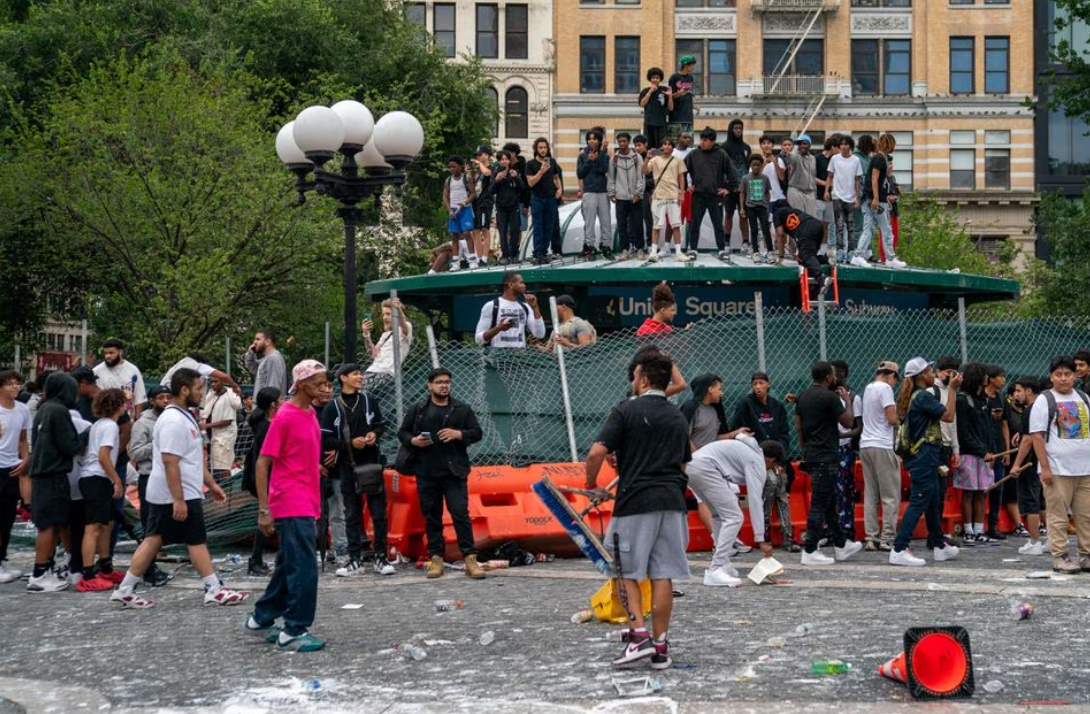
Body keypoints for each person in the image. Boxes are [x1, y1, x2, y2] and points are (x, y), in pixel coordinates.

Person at [586, 349, 690, 669]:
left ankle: (638, 636)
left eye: (634, 376)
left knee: (625, 571)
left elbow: (596, 452)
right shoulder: (677, 416)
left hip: (635, 503)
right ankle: (660, 645)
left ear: (643, 379)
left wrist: (592, 485)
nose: (632, 381)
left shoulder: (625, 411)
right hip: (673, 502)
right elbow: (684, 465)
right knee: (663, 574)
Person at [110, 367, 247, 609]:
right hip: (175, 493)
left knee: (155, 539)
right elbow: (170, 461)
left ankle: (126, 589)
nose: (201, 393)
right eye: (197, 388)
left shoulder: (183, 417)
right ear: (184, 390)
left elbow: (191, 458)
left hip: (180, 491)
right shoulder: (173, 420)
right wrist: (179, 499)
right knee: (192, 540)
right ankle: (213, 588)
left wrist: (212, 484)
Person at [243, 361, 328, 650]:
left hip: (307, 496)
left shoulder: (310, 412)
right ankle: (294, 629)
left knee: (287, 563)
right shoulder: (285, 416)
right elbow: (262, 462)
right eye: (318, 383)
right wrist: (264, 510)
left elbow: (298, 452)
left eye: (326, 382)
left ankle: (262, 617)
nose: (324, 387)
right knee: (304, 565)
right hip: (291, 500)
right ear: (301, 384)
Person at [398, 368, 485, 579]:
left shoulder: (461, 409)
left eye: (447, 382)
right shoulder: (418, 409)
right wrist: (414, 441)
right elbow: (402, 433)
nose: (444, 385)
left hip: (454, 472)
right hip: (426, 471)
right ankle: (436, 558)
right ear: (429, 385)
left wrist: (458, 434)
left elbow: (477, 433)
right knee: (432, 517)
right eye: (439, 382)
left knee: (460, 514)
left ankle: (470, 558)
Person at [322, 363, 394, 577]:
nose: (360, 377)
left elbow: (381, 425)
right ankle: (355, 559)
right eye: (355, 374)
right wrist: (349, 444)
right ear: (343, 378)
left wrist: (374, 435)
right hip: (347, 465)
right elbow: (325, 439)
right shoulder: (332, 406)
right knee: (351, 513)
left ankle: (381, 556)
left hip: (371, 463)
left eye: (360, 373)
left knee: (378, 512)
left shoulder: (369, 401)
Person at [889, 358, 962, 566]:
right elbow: (948, 416)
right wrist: (953, 389)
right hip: (923, 457)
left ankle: (939, 545)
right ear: (921, 376)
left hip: (924, 456)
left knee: (932, 499)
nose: (933, 375)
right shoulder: (922, 397)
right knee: (920, 501)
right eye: (930, 371)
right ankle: (899, 548)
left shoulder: (915, 396)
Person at [688, 437, 783, 587]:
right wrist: (761, 539)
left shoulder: (747, 449)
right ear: (771, 460)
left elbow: (740, 436)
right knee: (734, 517)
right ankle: (716, 568)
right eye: (774, 465)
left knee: (719, 516)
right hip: (706, 468)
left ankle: (723, 564)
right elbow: (755, 500)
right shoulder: (757, 462)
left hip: (692, 466)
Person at [795, 362, 863, 565]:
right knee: (818, 505)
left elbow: (798, 426)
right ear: (827, 377)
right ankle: (809, 551)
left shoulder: (804, 396)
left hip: (813, 454)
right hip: (827, 456)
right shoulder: (830, 397)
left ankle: (842, 545)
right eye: (833, 374)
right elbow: (849, 422)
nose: (836, 377)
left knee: (829, 503)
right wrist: (847, 401)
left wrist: (805, 448)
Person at [1028, 356, 1090, 574]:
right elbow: (1037, 436)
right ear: (1051, 377)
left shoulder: (1083, 397)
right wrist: (1045, 468)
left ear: (1075, 376)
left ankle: (1086, 555)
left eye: (1067, 374)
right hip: (1057, 470)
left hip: (1085, 469)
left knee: (1086, 515)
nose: (1063, 378)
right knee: (1058, 516)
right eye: (1058, 374)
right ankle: (1061, 556)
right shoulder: (1044, 400)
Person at [27, 372, 88, 592]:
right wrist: (87, 433)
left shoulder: (44, 409)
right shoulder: (60, 411)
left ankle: (45, 569)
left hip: (42, 475)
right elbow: (71, 446)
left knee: (50, 524)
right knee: (49, 526)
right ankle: (39, 574)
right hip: (53, 475)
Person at [730, 372, 797, 550]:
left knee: (781, 485)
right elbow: (738, 431)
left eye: (761, 383)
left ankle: (788, 536)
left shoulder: (777, 406)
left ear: (768, 385)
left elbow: (784, 435)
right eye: (754, 384)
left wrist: (780, 461)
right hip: (756, 460)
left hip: (776, 459)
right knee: (768, 486)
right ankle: (764, 534)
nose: (758, 387)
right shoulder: (746, 404)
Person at [76, 388, 127, 592]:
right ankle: (87, 574)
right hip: (97, 477)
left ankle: (105, 566)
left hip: (95, 477)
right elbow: (103, 456)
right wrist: (117, 480)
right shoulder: (110, 427)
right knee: (94, 527)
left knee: (106, 524)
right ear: (118, 405)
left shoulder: (99, 424)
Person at [127, 384, 172, 587]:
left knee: (162, 525)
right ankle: (147, 569)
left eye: (167, 397)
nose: (165, 401)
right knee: (150, 525)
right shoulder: (142, 423)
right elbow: (135, 453)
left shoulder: (170, 419)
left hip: (168, 476)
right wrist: (158, 444)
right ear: (152, 400)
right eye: (160, 397)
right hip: (149, 476)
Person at [859, 361, 902, 551]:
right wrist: (902, 416)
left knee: (871, 494)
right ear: (890, 375)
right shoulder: (885, 389)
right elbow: (891, 419)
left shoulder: (868, 388)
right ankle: (887, 538)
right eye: (894, 379)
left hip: (866, 444)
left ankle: (871, 537)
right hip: (882, 445)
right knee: (890, 494)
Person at [953, 362, 997, 545]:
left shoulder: (985, 400)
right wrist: (982, 450)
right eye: (985, 375)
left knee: (982, 492)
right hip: (969, 454)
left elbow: (988, 428)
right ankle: (968, 531)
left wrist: (992, 451)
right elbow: (963, 433)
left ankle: (979, 530)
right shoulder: (962, 400)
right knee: (969, 493)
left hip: (985, 454)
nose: (987, 378)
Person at [242, 387, 282, 576]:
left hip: (268, 477)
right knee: (268, 517)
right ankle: (256, 560)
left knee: (272, 517)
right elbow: (266, 460)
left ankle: (258, 559)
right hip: (266, 478)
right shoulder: (266, 427)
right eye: (281, 399)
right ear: (273, 404)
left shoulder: (267, 423)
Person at [851, 133, 904, 269]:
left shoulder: (878, 158)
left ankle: (859, 255)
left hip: (873, 198)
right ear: (889, 144)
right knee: (885, 230)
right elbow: (874, 178)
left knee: (869, 229)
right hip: (876, 200)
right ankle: (889, 258)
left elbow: (879, 181)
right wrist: (875, 198)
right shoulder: (880, 159)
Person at [684, 127, 734, 260]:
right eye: (701, 139)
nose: (702, 142)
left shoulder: (721, 154)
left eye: (705, 140)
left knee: (718, 224)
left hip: (715, 195)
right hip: (698, 195)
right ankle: (693, 249)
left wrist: (728, 188)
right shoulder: (693, 154)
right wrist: (686, 186)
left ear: (713, 141)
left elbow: (732, 172)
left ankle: (722, 250)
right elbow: (681, 170)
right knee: (694, 223)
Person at [0, 370, 31, 584]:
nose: (14, 387)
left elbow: (22, 438)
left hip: (13, 466)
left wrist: (25, 460)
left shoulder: (22, 409)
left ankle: (3, 558)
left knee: (8, 516)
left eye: (17, 383)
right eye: (9, 384)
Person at [1009, 376, 1046, 556]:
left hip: (1030, 463)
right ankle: (1051, 540)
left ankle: (1035, 542)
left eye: (1018, 390)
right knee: (1044, 502)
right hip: (1045, 462)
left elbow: (1028, 440)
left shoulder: (1031, 409)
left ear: (1029, 391)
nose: (1016, 394)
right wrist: (1020, 432)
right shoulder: (1045, 406)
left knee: (1031, 501)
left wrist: (1016, 464)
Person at [643, 137, 691, 262]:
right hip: (658, 196)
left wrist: (681, 193)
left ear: (672, 147)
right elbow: (643, 171)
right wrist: (647, 158)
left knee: (676, 225)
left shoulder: (678, 161)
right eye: (664, 144)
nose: (667, 146)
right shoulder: (654, 160)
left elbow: (681, 178)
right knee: (656, 226)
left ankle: (679, 253)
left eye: (669, 144)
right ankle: (653, 252)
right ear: (661, 146)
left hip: (673, 196)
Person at [984, 365, 1017, 540]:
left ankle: (993, 525)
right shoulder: (981, 398)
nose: (1003, 380)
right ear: (990, 378)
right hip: (983, 449)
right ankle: (975, 527)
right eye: (1000, 377)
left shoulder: (1001, 399)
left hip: (998, 448)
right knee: (980, 489)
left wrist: (1007, 451)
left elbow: (1005, 424)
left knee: (998, 487)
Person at [831, 360, 862, 538]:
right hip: (829, 448)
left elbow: (858, 426)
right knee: (830, 491)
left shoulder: (853, 397)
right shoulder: (827, 395)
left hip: (844, 448)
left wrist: (841, 436)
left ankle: (846, 528)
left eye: (836, 373)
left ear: (842, 374)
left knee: (845, 490)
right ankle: (830, 529)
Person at [474, 272, 546, 348]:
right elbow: (478, 339)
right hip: (497, 356)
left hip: (520, 355)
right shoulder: (492, 305)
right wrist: (498, 328)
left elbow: (540, 334)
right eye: (521, 283)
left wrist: (535, 307)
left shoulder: (525, 307)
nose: (524, 285)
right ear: (511, 285)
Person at [932, 356, 962, 540]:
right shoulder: (933, 390)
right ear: (938, 371)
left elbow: (954, 421)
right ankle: (934, 533)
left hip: (947, 446)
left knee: (942, 490)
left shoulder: (952, 391)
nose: (950, 375)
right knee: (934, 491)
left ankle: (937, 533)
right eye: (947, 371)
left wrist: (956, 449)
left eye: (953, 372)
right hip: (934, 445)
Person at [362, 297, 413, 399]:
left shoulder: (405, 328)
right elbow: (373, 354)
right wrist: (366, 335)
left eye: (388, 314)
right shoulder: (385, 335)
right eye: (383, 314)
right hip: (371, 371)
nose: (384, 317)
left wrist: (398, 309)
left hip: (386, 373)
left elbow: (403, 323)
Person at [825, 136, 862, 263]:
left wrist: (857, 197)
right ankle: (840, 250)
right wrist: (826, 191)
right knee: (839, 225)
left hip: (850, 197)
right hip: (837, 196)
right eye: (841, 144)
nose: (843, 146)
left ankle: (851, 251)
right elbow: (830, 176)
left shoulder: (856, 160)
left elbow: (858, 180)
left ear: (850, 146)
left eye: (846, 144)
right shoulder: (835, 159)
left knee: (851, 225)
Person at [526, 138, 563, 265]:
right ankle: (538, 253)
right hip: (537, 198)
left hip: (550, 198)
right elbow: (530, 182)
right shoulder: (530, 164)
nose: (543, 150)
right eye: (540, 147)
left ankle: (544, 252)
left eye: (545, 148)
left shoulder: (551, 161)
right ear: (536, 149)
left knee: (549, 226)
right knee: (538, 226)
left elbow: (555, 177)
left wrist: (559, 188)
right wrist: (541, 172)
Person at [577, 129, 613, 259]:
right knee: (589, 221)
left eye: (595, 139)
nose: (591, 141)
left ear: (599, 141)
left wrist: (601, 154)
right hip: (589, 191)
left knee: (606, 221)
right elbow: (580, 173)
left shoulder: (605, 154)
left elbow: (603, 169)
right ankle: (590, 247)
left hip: (603, 191)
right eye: (589, 139)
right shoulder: (582, 155)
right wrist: (589, 161)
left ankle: (606, 246)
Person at [609, 132, 645, 261]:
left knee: (637, 224)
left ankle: (640, 248)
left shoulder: (637, 157)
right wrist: (612, 193)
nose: (622, 144)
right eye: (620, 141)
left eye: (624, 141)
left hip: (635, 198)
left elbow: (641, 178)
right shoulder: (614, 159)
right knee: (622, 225)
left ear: (629, 141)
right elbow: (611, 178)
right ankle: (625, 250)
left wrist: (638, 194)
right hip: (620, 197)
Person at [200, 375, 241, 483]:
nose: (213, 384)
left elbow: (227, 421)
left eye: (216, 382)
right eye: (211, 382)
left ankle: (227, 491)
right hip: (211, 435)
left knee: (223, 465)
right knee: (215, 464)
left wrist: (206, 426)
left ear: (222, 382)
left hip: (224, 436)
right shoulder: (211, 395)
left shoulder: (228, 396)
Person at [92, 338, 147, 419]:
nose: (107, 356)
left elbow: (139, 399)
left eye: (111, 353)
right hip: (106, 418)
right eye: (105, 353)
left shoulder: (132, 370)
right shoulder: (97, 371)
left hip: (128, 420)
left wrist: (137, 421)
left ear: (120, 352)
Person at [774, 204, 826, 288]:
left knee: (806, 256)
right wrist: (795, 254)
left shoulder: (777, 213)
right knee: (807, 258)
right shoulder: (793, 211)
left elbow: (780, 234)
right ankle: (826, 258)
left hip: (806, 231)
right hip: (818, 225)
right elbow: (792, 239)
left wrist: (781, 256)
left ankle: (821, 277)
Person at [491, 149, 526, 265]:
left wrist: (516, 177)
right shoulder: (496, 172)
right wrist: (496, 180)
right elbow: (490, 191)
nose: (504, 161)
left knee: (515, 231)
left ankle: (514, 254)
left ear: (509, 160)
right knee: (503, 232)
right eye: (501, 159)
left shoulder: (514, 172)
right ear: (498, 161)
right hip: (501, 208)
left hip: (514, 207)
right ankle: (505, 255)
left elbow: (522, 189)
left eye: (506, 159)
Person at [443, 156, 478, 270]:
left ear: (460, 166)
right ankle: (455, 262)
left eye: (454, 166)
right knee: (454, 235)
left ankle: (472, 260)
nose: (452, 169)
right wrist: (449, 210)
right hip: (453, 210)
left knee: (467, 233)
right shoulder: (448, 180)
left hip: (465, 209)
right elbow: (445, 197)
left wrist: (464, 202)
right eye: (450, 167)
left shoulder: (466, 178)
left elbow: (473, 194)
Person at [723, 119, 751, 252]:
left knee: (743, 214)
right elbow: (722, 168)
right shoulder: (724, 147)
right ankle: (726, 242)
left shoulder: (746, 147)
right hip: (729, 188)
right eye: (736, 128)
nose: (738, 130)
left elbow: (749, 167)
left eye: (740, 128)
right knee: (728, 214)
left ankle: (746, 243)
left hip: (744, 189)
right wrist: (727, 186)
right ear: (731, 129)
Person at [741, 154, 773, 263]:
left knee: (765, 230)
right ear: (750, 165)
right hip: (750, 207)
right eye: (754, 165)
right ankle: (755, 252)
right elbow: (742, 193)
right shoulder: (745, 178)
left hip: (762, 207)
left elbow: (768, 193)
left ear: (761, 165)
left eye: (758, 165)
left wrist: (767, 206)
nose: (756, 167)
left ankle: (770, 252)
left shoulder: (765, 178)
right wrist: (742, 208)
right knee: (753, 230)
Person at [471, 146, 495, 269]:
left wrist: (480, 164)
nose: (478, 157)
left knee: (485, 229)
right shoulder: (478, 171)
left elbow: (488, 173)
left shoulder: (491, 167)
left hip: (485, 202)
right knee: (475, 230)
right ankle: (478, 257)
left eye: (480, 155)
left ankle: (485, 258)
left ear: (487, 155)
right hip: (475, 202)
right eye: (477, 155)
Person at [244, 329, 288, 397]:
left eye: (258, 339)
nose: (254, 342)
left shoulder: (274, 358)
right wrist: (250, 353)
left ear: (268, 341)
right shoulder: (266, 359)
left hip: (267, 406)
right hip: (262, 406)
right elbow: (252, 367)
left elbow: (273, 387)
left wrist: (268, 405)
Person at [638, 67, 671, 153]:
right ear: (650, 79)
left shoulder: (664, 90)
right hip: (649, 123)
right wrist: (650, 91)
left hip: (662, 123)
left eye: (657, 78)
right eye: (653, 78)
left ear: (660, 79)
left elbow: (670, 108)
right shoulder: (645, 91)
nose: (655, 80)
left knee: (662, 147)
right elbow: (642, 104)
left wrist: (670, 96)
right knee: (649, 147)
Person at [784, 134, 817, 217]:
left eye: (804, 143)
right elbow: (790, 157)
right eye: (800, 144)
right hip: (796, 191)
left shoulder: (813, 158)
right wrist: (787, 152)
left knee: (811, 218)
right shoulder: (795, 155)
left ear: (809, 145)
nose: (802, 145)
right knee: (798, 219)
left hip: (810, 193)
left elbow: (813, 176)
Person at [634, 135, 656, 255]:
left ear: (645, 144)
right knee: (634, 221)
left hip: (647, 193)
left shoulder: (652, 159)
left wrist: (641, 184)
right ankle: (637, 245)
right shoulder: (633, 158)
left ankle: (651, 244)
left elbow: (654, 178)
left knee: (649, 221)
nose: (637, 148)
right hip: (635, 194)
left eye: (639, 145)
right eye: (635, 145)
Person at [667, 56, 697, 137]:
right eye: (692, 65)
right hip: (676, 119)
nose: (693, 68)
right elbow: (669, 97)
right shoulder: (674, 78)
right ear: (686, 65)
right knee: (676, 143)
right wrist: (678, 94)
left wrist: (693, 105)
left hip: (688, 119)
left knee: (689, 144)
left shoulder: (690, 78)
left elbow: (688, 94)